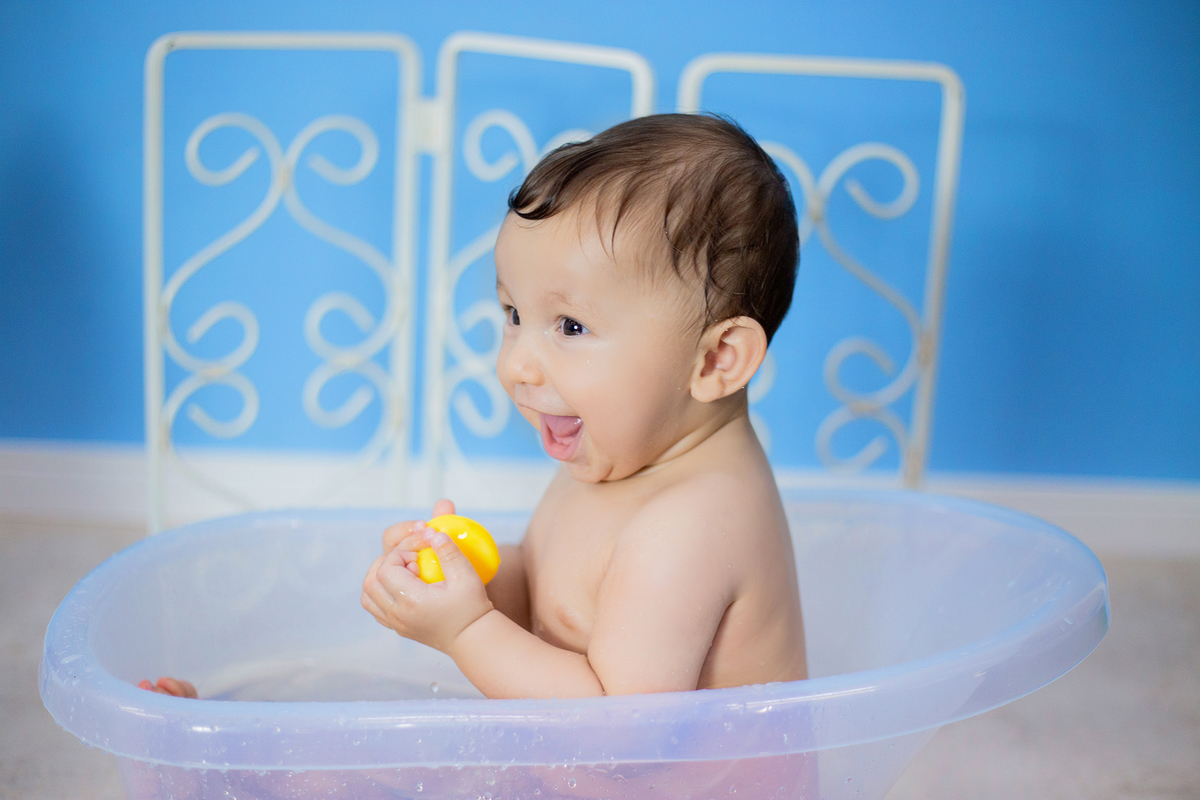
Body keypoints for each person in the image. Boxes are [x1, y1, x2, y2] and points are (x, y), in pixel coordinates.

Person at [360, 113, 806, 699]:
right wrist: (466, 581)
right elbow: (549, 601)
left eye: (570, 326)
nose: (516, 366)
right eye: (513, 314)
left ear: (716, 360)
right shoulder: (617, 452)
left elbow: (620, 730)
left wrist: (467, 630)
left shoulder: (691, 525)